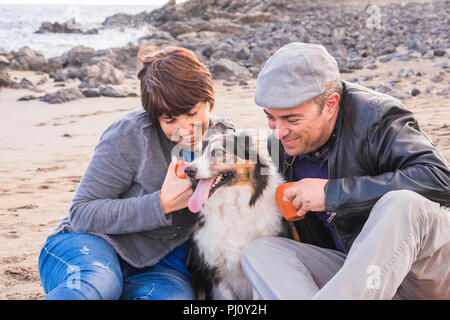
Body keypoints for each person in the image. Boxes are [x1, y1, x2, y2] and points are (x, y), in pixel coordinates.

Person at [239, 42, 450, 299]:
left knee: (402, 203)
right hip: (356, 279)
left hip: (424, 275)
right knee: (260, 251)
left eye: (292, 119)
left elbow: (439, 179)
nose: (278, 131)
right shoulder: (281, 142)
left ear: (330, 104)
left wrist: (331, 194)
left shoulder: (376, 118)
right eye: (270, 117)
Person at [38, 46, 234, 300]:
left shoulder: (226, 140)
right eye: (169, 120)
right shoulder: (130, 134)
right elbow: (81, 213)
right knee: (99, 285)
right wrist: (161, 204)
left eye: (191, 113)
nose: (184, 129)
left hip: (161, 266)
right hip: (91, 246)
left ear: (209, 100)